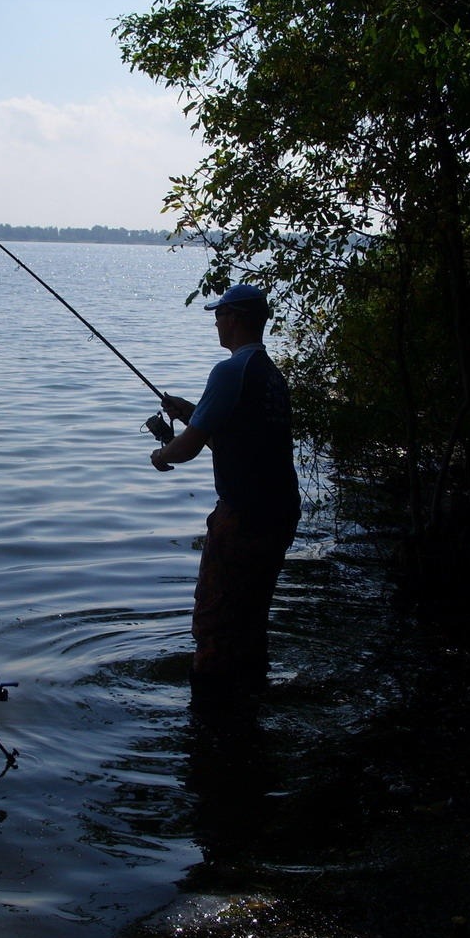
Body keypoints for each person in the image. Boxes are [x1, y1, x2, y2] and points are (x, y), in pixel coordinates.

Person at [150, 283, 301, 697]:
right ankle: (250, 701)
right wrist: (192, 414)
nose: (216, 321)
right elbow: (234, 443)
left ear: (234, 318)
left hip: (245, 515)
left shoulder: (230, 370)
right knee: (250, 616)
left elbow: (189, 448)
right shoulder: (269, 374)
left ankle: (210, 717)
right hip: (279, 511)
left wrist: (161, 455)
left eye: (219, 314)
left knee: (215, 621)